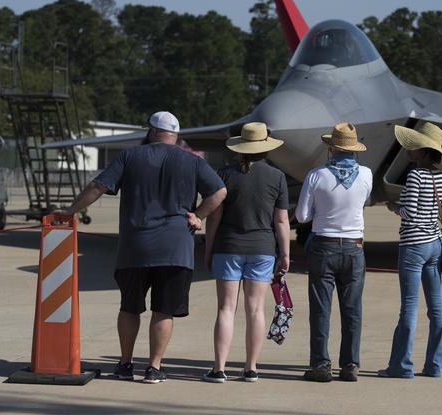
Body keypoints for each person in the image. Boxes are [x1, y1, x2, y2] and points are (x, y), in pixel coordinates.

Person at [52, 111, 226, 384]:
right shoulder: (193, 161)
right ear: (176, 135)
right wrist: (199, 215)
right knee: (163, 309)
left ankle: (125, 364)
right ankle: (154, 368)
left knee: (130, 307)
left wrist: (71, 211)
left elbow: (98, 187)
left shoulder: (129, 156)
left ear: (153, 131)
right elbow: (219, 192)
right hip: (175, 249)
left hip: (135, 247)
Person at [202, 122, 290, 383]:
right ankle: (250, 368)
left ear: (241, 147)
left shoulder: (225, 174)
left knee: (226, 309)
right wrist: (284, 254)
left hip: (227, 248)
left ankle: (219, 369)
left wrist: (209, 249)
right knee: (255, 310)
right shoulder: (277, 177)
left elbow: (214, 217)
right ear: (265, 147)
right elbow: (282, 221)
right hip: (263, 249)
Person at [295, 122, 373, 382]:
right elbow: (362, 202)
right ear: (354, 150)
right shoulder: (366, 174)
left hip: (324, 245)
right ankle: (350, 364)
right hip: (354, 247)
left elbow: (302, 216)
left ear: (331, 148)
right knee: (352, 309)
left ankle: (321, 364)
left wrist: (322, 210)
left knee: (321, 309)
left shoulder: (316, 175)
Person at [379, 122, 442, 379]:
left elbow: (409, 213)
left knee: (409, 306)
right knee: (436, 306)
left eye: (413, 145)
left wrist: (393, 206)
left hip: (413, 246)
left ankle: (401, 366)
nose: (408, 149)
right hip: (435, 245)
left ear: (423, 151)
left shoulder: (415, 175)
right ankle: (435, 365)